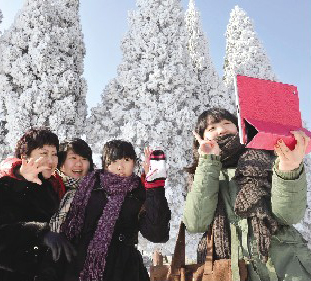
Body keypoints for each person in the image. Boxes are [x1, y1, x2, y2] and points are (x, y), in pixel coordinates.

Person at [183, 108, 311, 281]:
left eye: (227, 123)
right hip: (228, 272)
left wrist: (288, 170)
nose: (221, 130)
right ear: (201, 138)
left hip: (286, 269)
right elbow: (196, 223)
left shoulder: (270, 159)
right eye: (211, 128)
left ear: (240, 129)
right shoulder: (199, 175)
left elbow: (289, 215)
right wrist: (207, 163)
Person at [37, 139, 171, 281]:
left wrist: (154, 187)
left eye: (126, 160)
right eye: (113, 161)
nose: (120, 166)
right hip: (78, 266)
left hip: (123, 270)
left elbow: (157, 234)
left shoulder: (140, 192)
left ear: (134, 162)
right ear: (105, 165)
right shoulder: (88, 184)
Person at [0, 128, 76, 281]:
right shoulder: (8, 185)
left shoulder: (51, 187)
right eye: (43, 153)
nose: (50, 160)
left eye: (54, 154)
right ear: (24, 157)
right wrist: (40, 233)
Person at [49, 138, 94, 232]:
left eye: (84, 159)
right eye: (73, 158)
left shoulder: (96, 190)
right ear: (61, 164)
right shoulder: (49, 186)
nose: (79, 164)